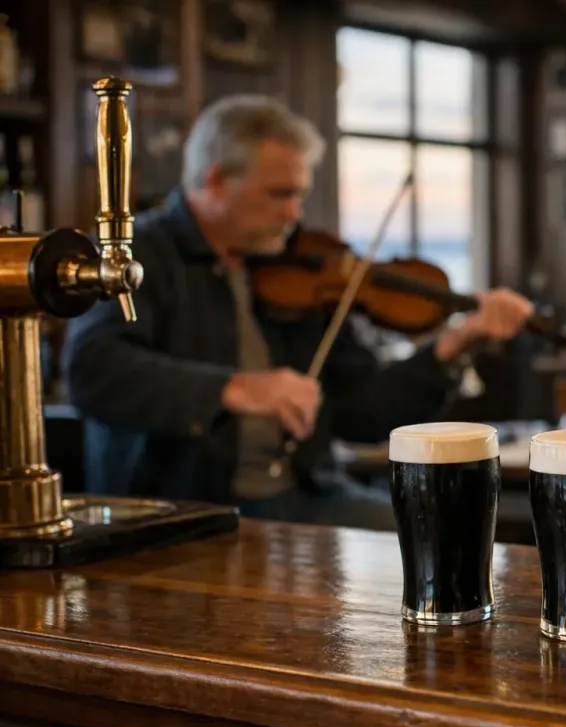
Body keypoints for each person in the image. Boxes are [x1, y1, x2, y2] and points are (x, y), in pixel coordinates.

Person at [63, 94, 535, 531]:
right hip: (185, 514)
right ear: (216, 180)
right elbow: (92, 370)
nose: (294, 214)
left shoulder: (299, 265)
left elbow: (363, 413)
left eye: (299, 195)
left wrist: (452, 347)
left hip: (307, 499)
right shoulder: (137, 254)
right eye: (279, 194)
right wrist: (233, 388)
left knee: (447, 533)